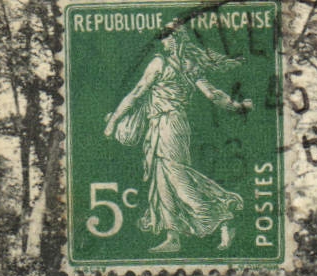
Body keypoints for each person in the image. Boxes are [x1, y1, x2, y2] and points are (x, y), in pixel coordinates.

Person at [104, 28, 251, 254]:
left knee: (176, 176)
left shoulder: (159, 64)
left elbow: (136, 94)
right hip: (165, 125)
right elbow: (213, 95)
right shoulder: (190, 66)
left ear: (174, 40)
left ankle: (222, 218)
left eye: (167, 37)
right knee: (162, 179)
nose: (164, 42)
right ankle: (173, 236)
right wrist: (237, 106)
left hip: (168, 125)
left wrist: (113, 121)